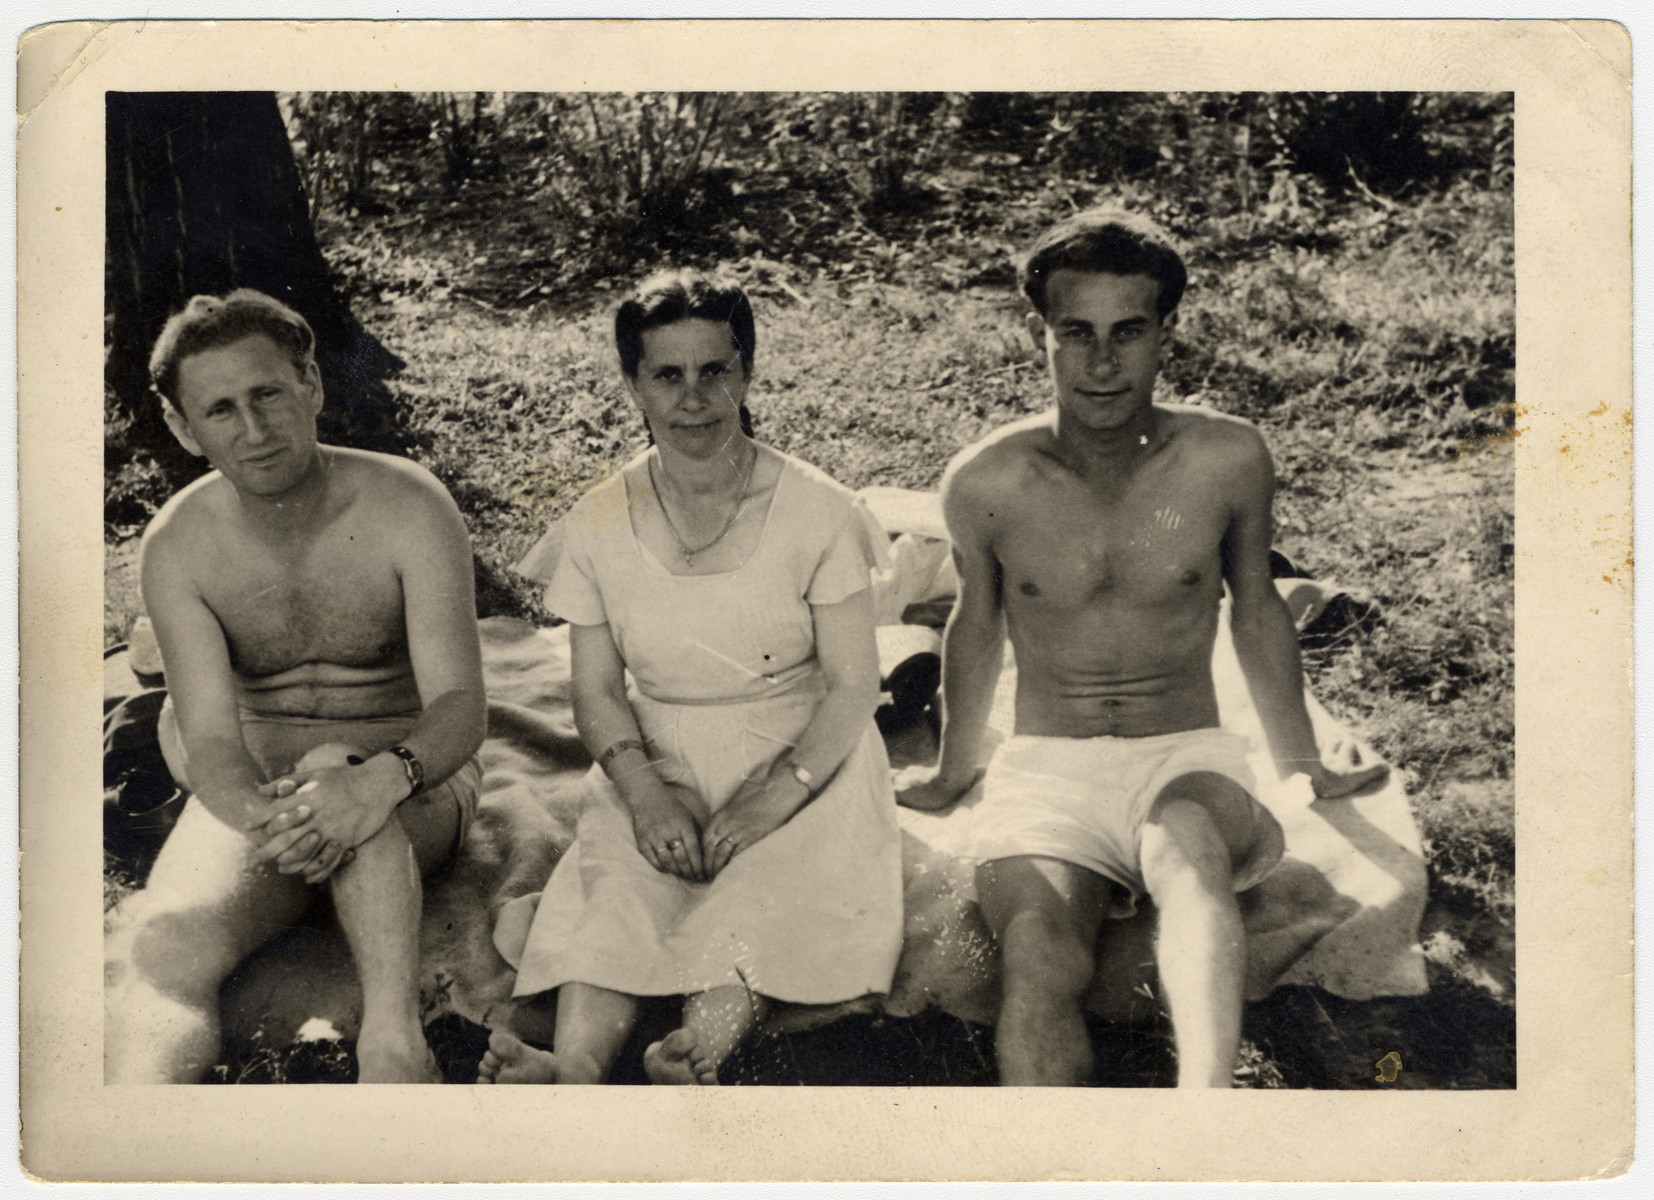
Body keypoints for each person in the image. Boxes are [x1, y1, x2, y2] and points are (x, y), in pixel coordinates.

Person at [895, 209, 1388, 1087]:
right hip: (1048, 762)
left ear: (1168, 332)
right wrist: (948, 772)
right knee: (1042, 951)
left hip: (1184, 751)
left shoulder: (1228, 458)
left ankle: (1207, 1111)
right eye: (1074, 333)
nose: (1102, 361)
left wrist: (1303, 762)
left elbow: (1257, 610)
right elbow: (976, 627)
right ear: (1039, 335)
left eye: (1129, 332)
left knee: (1190, 860)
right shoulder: (987, 480)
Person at [480, 270, 902, 1085]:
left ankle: (692, 1051)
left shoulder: (820, 510)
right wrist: (642, 793)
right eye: (667, 375)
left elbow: (854, 685)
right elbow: (597, 692)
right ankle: (574, 1068)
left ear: (746, 373)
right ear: (634, 383)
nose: (695, 398)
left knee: (764, 887)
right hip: (661, 752)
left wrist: (777, 793)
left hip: (809, 749)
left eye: (716, 370)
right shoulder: (601, 519)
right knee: (619, 890)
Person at [103, 290, 487, 1083]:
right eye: (220, 409)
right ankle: (135, 1137)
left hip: (411, 785)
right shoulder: (178, 543)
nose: (253, 428)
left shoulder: (408, 504)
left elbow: (461, 707)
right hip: (264, 805)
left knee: (337, 763)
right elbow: (210, 739)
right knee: (167, 944)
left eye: (268, 393)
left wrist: (381, 780)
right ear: (183, 428)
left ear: (309, 382)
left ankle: (392, 1040)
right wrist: (270, 820)